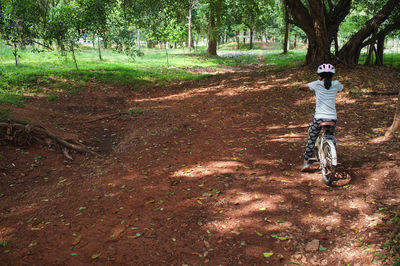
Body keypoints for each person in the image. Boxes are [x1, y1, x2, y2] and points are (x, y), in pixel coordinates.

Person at [299, 63, 343, 172]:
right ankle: (331, 154)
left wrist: (302, 86)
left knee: (312, 138)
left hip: (319, 117)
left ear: (320, 76)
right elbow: (341, 89)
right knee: (330, 136)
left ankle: (306, 163)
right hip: (332, 117)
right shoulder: (336, 84)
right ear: (332, 75)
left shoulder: (317, 84)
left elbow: (302, 87)